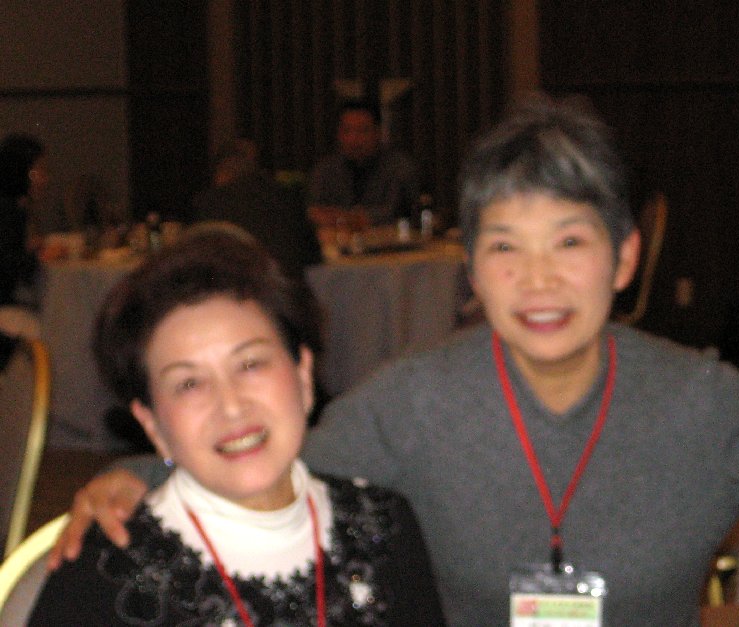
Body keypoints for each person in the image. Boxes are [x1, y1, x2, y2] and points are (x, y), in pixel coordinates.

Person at [52, 95, 739, 626]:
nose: (538, 279)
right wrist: (140, 472)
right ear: (471, 270)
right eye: (506, 247)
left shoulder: (708, 403)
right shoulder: (414, 401)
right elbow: (275, 460)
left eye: (570, 242)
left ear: (625, 257)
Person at [31, 230, 444, 625]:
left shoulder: (383, 528)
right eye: (189, 384)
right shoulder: (105, 577)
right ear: (152, 424)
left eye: (250, 364)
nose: (231, 406)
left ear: (303, 376)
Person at [191, 138, 322, 280]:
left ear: (221, 171)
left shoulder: (210, 202)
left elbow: (200, 260)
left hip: (238, 286)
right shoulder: (287, 196)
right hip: (286, 287)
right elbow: (313, 256)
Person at [307, 98, 420, 228]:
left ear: (378, 133)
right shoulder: (326, 170)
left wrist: (353, 218)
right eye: (347, 131)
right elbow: (313, 210)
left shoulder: (399, 168)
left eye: (362, 131)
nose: (353, 139)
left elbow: (397, 212)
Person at [0, 133, 47, 337]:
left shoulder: (16, 208)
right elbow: (9, 270)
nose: (44, 179)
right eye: (38, 171)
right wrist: (33, 255)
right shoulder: (8, 212)